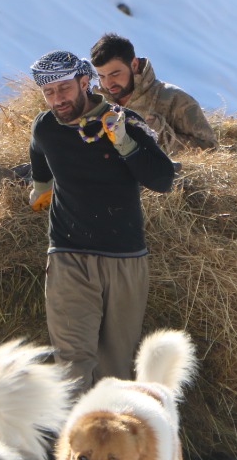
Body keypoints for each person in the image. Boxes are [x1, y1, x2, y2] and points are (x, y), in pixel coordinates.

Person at [27, 49, 177, 390]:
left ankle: (107, 439)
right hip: (67, 256)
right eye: (48, 92)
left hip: (124, 259)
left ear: (84, 82)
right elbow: (38, 149)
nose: (57, 99)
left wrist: (123, 142)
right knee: (71, 362)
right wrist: (40, 184)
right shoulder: (46, 126)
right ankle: (73, 442)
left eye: (63, 89)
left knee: (115, 368)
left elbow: (163, 180)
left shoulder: (124, 121)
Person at [89, 33, 217, 155]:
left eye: (115, 74)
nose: (108, 83)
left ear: (134, 64)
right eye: (101, 76)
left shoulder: (174, 99)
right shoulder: (96, 105)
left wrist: (161, 135)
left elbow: (210, 149)